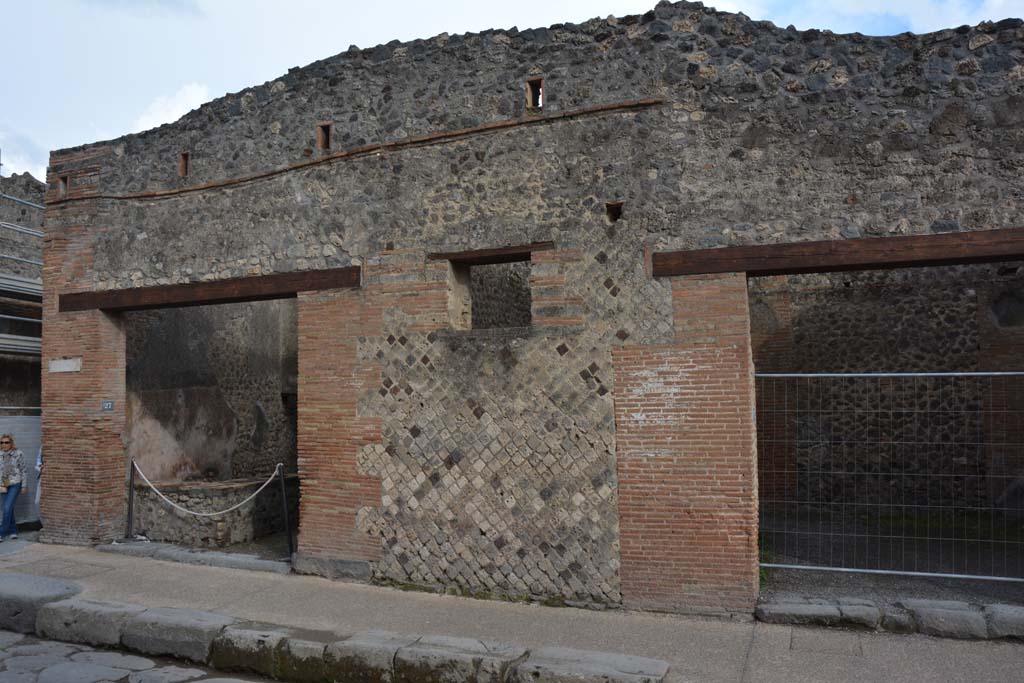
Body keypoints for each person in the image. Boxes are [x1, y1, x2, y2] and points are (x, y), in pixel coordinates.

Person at [0, 433, 26, 541]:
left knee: (6, 508)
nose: (4, 444)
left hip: (15, 484)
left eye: (6, 442)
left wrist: (24, 485)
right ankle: (13, 531)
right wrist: (1, 484)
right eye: (2, 442)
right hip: (3, 484)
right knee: (8, 508)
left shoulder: (18, 453)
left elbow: (24, 470)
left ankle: (1, 532)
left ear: (11, 443)